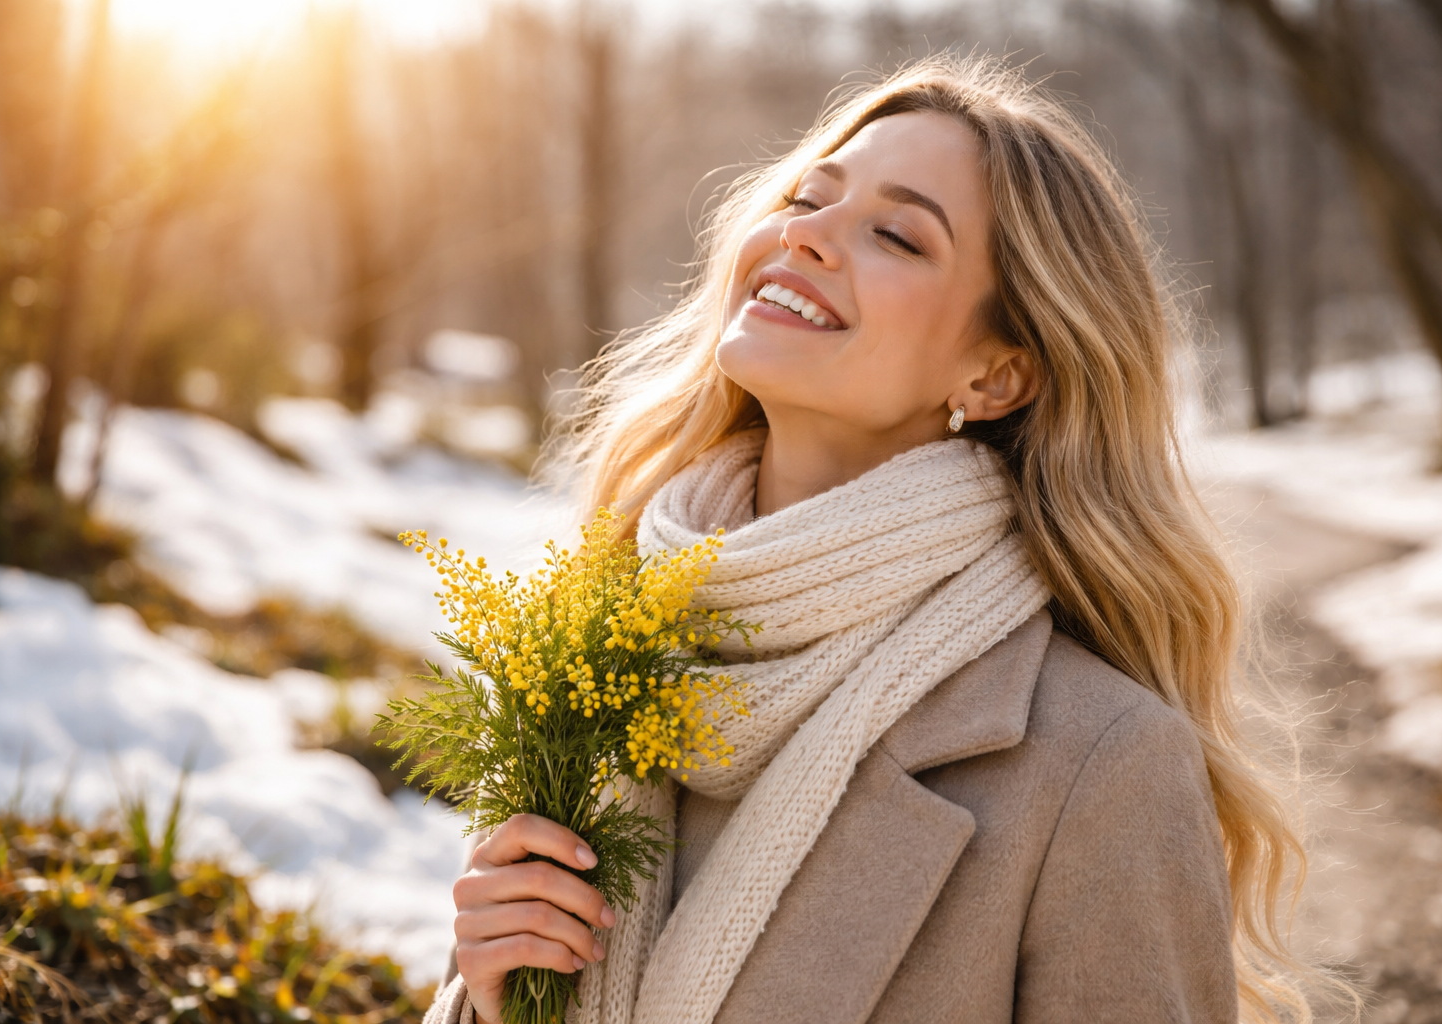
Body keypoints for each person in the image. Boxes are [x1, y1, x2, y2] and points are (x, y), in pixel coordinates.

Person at [424, 55, 1321, 1024]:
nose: (804, 235)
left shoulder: (1098, 760)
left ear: (996, 377)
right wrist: (481, 995)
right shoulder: (588, 659)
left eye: (895, 234)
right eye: (808, 196)